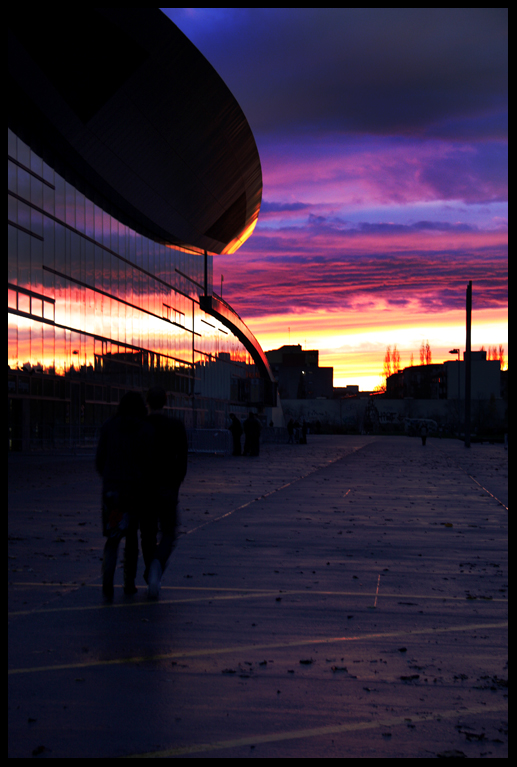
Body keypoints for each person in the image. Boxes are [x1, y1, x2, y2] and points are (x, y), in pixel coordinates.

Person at [95, 392, 152, 601]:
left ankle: (107, 582)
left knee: (112, 538)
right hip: (134, 491)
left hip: (112, 491)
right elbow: (149, 462)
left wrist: (108, 478)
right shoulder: (144, 429)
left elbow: (100, 458)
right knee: (131, 537)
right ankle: (129, 582)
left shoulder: (109, 426)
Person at [141, 387, 188, 599]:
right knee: (169, 531)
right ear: (165, 402)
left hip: (145, 486)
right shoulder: (175, 426)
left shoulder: (141, 426)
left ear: (147, 402)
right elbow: (183, 458)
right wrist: (177, 481)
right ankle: (158, 563)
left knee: (147, 531)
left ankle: (151, 566)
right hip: (168, 485)